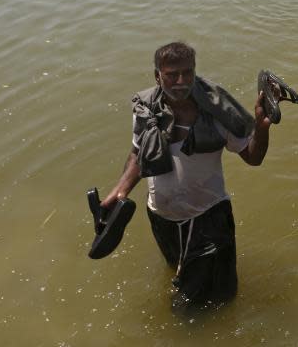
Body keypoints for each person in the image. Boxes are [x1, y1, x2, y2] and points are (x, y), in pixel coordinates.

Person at [100, 41, 273, 307]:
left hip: (207, 217)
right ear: (157, 76)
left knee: (204, 304)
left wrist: (261, 127)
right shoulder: (147, 109)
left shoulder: (217, 113)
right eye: (172, 74)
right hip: (161, 216)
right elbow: (138, 154)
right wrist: (120, 190)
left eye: (188, 73)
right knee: (178, 271)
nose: (181, 81)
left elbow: (254, 158)